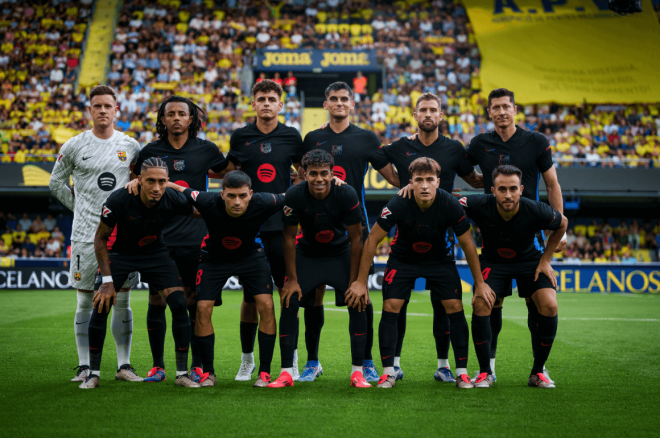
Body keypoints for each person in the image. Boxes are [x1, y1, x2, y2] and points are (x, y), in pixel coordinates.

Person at [345, 157, 495, 389]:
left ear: (438, 182)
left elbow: (467, 245)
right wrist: (360, 282)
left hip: (440, 261)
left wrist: (480, 283)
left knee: (454, 307)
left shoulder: (450, 204)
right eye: (419, 180)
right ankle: (388, 373)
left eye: (429, 180)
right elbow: (372, 240)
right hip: (403, 260)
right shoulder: (398, 203)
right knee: (391, 305)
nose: (424, 185)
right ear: (410, 182)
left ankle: (462, 373)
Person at [299, 81, 399, 382]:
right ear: (325, 104)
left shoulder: (366, 138)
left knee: (360, 294)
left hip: (353, 228)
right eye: (333, 99)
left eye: (345, 99)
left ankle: (366, 361)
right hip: (315, 227)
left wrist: (424, 181)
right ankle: (312, 362)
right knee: (312, 296)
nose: (339, 103)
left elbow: (393, 177)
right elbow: (298, 175)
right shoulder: (312, 138)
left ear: (352, 104)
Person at [464, 88, 565, 383]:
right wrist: (479, 184)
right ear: (489, 113)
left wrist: (553, 235)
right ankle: (488, 367)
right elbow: (463, 170)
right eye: (495, 107)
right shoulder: (479, 144)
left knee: (542, 303)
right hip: (494, 235)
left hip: (529, 238)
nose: (501, 112)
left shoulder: (536, 142)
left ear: (515, 109)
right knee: (488, 301)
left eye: (506, 106)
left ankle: (539, 370)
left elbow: (553, 184)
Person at [125, 95, 228, 384]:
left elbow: (230, 174)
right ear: (163, 119)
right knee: (156, 299)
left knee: (194, 301)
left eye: (182, 113)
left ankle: (196, 366)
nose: (176, 118)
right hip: (159, 238)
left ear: (192, 119)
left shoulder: (206, 149)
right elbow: (134, 180)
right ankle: (158, 366)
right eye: (170, 114)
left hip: (196, 237)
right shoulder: (151, 151)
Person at [382, 92, 483, 383]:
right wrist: (401, 185)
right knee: (396, 303)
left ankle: (444, 366)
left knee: (444, 305)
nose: (428, 114)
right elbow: (374, 157)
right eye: (422, 109)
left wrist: (505, 185)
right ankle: (395, 365)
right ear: (415, 114)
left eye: (433, 110)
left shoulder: (454, 149)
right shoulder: (401, 146)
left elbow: (475, 178)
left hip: (443, 239)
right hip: (406, 239)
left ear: (440, 115)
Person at [49, 85, 142, 383]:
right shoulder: (75, 145)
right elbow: (55, 183)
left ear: (117, 110)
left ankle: (124, 365)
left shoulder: (132, 146)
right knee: (85, 301)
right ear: (90, 110)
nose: (103, 110)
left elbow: (139, 185)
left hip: (121, 236)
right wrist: (80, 207)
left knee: (123, 299)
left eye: (107, 106)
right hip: (85, 235)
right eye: (97, 106)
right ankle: (84, 365)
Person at [80, 158, 200, 389]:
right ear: (139, 180)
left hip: (155, 253)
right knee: (102, 303)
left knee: (178, 302)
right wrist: (106, 281)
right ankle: (93, 374)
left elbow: (203, 210)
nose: (156, 188)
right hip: (121, 254)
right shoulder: (119, 199)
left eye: (162, 182)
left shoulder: (172, 197)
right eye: (151, 181)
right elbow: (100, 239)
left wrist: (178, 188)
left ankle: (182, 374)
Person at [169, 171, 284, 388]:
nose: (237, 202)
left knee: (267, 305)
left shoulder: (265, 201)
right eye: (231, 196)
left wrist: (329, 181)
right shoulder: (207, 200)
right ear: (222, 194)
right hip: (214, 258)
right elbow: (181, 189)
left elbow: (292, 194)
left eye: (242, 195)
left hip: (250, 255)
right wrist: (161, 181)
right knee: (202, 308)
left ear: (251, 194)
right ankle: (209, 373)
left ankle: (265, 372)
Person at [223, 79, 304, 381]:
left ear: (280, 105)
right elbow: (228, 175)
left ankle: (291, 360)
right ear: (253, 103)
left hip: (282, 226)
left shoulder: (292, 136)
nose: (267, 103)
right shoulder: (241, 137)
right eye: (261, 98)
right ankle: (247, 360)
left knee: (288, 294)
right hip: (250, 227)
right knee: (250, 296)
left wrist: (293, 200)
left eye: (272, 98)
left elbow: (304, 172)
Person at [268, 150, 370, 389]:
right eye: (313, 174)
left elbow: (357, 238)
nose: (319, 179)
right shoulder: (294, 194)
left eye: (324, 173)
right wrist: (291, 280)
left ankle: (358, 372)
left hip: (339, 253)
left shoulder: (346, 193)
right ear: (304, 174)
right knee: (289, 300)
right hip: (308, 253)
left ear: (332, 173)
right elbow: (288, 237)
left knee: (359, 300)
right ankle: (286, 373)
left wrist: (357, 281)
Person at [459, 165, 567, 388]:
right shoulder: (479, 203)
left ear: (521, 190)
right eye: (502, 189)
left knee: (549, 306)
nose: (507, 195)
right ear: (493, 190)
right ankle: (485, 373)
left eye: (513, 189)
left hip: (530, 262)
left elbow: (562, 223)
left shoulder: (535, 208)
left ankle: (538, 372)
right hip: (493, 262)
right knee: (481, 303)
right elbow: (452, 202)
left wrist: (546, 260)